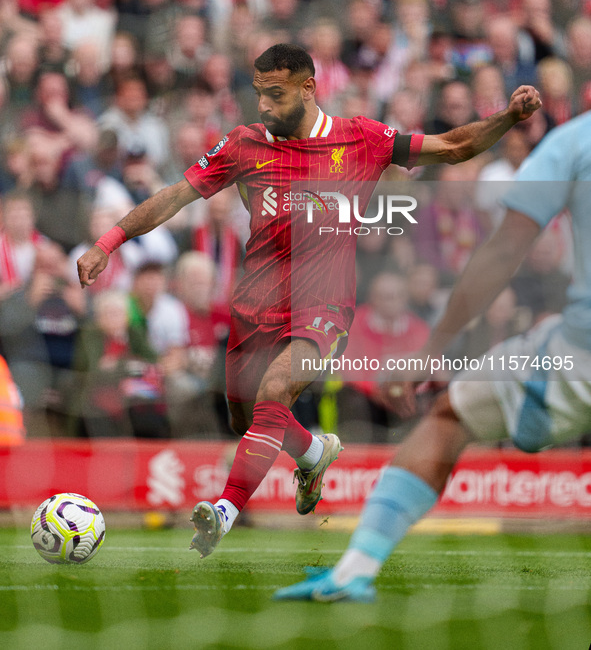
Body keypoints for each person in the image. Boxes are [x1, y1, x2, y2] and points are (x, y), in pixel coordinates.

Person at [77, 43, 541, 559]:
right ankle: (315, 453)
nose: (264, 107)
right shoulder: (243, 144)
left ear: (307, 88)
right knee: (245, 419)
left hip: (324, 305)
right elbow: (174, 195)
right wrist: (108, 242)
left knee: (275, 392)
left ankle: (225, 511)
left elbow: (453, 146)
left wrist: (508, 116)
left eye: (275, 95)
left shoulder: (360, 139)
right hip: (254, 304)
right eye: (259, 95)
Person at [273, 108, 591, 604]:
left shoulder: (574, 142)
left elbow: (505, 250)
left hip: (582, 351)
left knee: (447, 417)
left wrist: (430, 350)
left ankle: (353, 571)